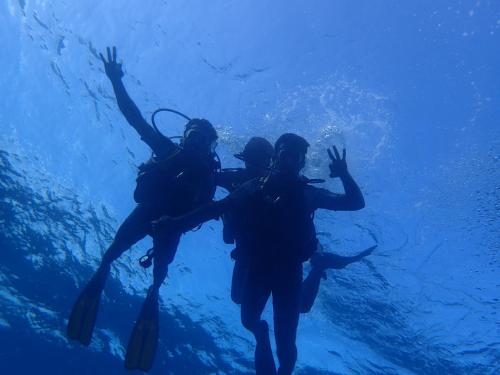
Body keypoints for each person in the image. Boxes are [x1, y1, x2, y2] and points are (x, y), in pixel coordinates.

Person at [154, 133, 365, 374]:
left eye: (294, 158)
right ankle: (262, 335)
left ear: (301, 163)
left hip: (289, 274)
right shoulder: (252, 187)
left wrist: (344, 174)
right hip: (257, 267)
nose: (288, 162)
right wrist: (175, 222)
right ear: (275, 158)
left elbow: (355, 202)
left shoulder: (308, 193)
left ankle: (285, 370)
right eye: (284, 154)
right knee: (249, 321)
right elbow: (216, 208)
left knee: (286, 345)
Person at [67, 47, 219, 372]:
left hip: (171, 225)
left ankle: (152, 291)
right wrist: (115, 80)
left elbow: (216, 206)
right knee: (111, 255)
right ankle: (108, 276)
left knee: (158, 274)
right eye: (193, 135)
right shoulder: (166, 149)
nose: (196, 141)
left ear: (209, 146)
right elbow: (133, 116)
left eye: (202, 139)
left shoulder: (210, 173)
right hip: (150, 214)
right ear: (186, 135)